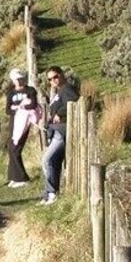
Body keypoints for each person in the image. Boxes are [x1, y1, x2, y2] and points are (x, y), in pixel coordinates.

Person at [40, 66, 79, 205]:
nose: (53, 80)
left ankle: (51, 193)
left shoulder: (67, 88)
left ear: (62, 74)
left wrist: (59, 113)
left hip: (61, 131)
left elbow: (74, 101)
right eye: (50, 79)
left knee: (46, 160)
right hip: (56, 131)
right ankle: (49, 193)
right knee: (54, 163)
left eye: (55, 76)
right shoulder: (59, 91)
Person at [5, 68, 40, 188]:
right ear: (13, 80)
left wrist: (20, 108)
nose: (19, 81)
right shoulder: (11, 93)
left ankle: (22, 178)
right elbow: (7, 110)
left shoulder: (30, 90)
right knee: (11, 148)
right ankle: (13, 177)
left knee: (16, 148)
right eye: (16, 79)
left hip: (24, 122)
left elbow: (33, 104)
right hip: (14, 122)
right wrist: (16, 109)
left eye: (20, 79)